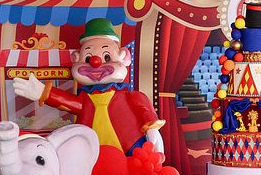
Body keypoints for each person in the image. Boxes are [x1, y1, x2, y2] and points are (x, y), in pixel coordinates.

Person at [12, 19, 164, 155]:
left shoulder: (132, 97)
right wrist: (42, 92)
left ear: (123, 56)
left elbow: (145, 112)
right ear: (76, 59)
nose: (96, 62)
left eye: (106, 57)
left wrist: (152, 130)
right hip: (91, 153)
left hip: (131, 147)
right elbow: (69, 103)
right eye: (88, 58)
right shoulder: (85, 100)